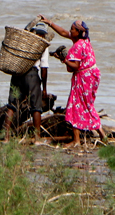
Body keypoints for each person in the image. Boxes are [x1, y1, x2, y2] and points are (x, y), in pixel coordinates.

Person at [43, 18, 102, 147]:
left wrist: (64, 59)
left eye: (72, 29)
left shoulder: (78, 46)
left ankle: (76, 140)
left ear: (78, 32)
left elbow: (74, 66)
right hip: (92, 76)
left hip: (83, 78)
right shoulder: (85, 41)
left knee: (75, 105)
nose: (69, 31)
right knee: (88, 104)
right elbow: (63, 32)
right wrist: (50, 23)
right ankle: (102, 134)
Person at [4, 19, 50, 141]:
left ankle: (6, 137)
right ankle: (37, 137)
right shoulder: (42, 45)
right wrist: (44, 88)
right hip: (32, 75)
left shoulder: (23, 41)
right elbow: (44, 68)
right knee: (36, 107)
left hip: (17, 74)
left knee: (12, 106)